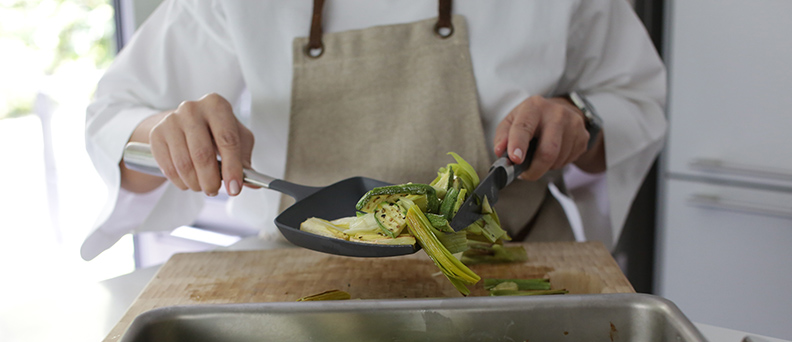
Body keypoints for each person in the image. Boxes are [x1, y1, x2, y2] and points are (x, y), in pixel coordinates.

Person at [82, 0, 666, 261]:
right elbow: (115, 120)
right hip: (300, 286)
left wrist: (579, 118)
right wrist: (164, 132)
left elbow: (634, 102)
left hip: (512, 266)